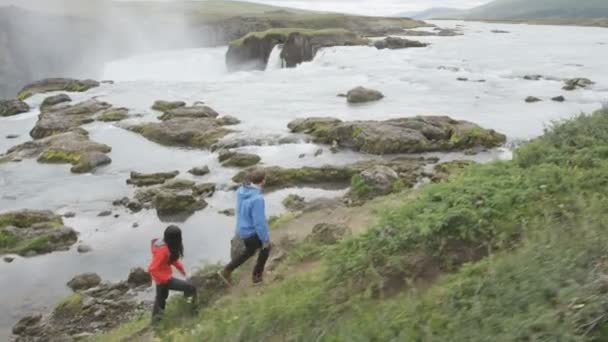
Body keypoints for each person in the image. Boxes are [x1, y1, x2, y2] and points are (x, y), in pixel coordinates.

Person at [220, 168, 271, 285]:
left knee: (249, 251)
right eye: (265, 179)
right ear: (263, 181)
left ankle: (226, 270)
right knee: (266, 248)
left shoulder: (241, 190)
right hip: (250, 231)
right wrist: (265, 239)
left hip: (241, 229)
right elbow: (259, 222)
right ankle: (257, 277)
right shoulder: (257, 199)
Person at [148, 225, 197, 322]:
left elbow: (171, 259)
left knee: (161, 300)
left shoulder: (167, 246)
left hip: (162, 279)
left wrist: (182, 271)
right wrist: (165, 279)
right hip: (163, 279)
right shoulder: (163, 251)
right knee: (191, 288)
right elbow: (152, 269)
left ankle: (155, 323)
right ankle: (189, 310)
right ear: (176, 239)